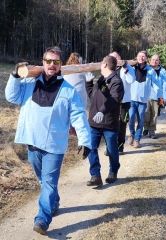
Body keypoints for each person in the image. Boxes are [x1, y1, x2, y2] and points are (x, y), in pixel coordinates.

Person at [5, 46, 91, 235]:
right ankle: (54, 201)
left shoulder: (68, 91)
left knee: (49, 182)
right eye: (49, 61)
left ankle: (42, 219)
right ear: (43, 62)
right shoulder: (29, 83)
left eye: (56, 62)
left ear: (61, 65)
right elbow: (11, 96)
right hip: (33, 142)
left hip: (54, 145)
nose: (52, 65)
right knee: (43, 181)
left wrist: (85, 140)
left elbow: (78, 116)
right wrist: (15, 76)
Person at [85, 55, 124, 187]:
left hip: (109, 123)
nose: (100, 65)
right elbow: (93, 97)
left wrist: (102, 111)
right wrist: (88, 84)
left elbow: (113, 100)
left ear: (106, 65)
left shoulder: (116, 82)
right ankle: (95, 175)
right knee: (90, 148)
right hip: (94, 122)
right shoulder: (101, 79)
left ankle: (113, 171)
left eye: (102, 63)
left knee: (112, 150)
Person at [128, 50, 162, 148]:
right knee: (130, 118)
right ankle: (131, 133)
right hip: (132, 99)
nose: (141, 58)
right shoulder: (132, 68)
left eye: (143, 56)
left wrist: (159, 95)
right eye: (139, 56)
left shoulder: (150, 71)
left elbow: (155, 84)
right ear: (137, 57)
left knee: (141, 121)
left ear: (146, 58)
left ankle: (137, 140)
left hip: (143, 100)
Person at [107, 51, 135, 154]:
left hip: (124, 101)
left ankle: (120, 147)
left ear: (120, 58)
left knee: (122, 124)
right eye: (112, 58)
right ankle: (109, 147)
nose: (114, 60)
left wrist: (126, 70)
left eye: (116, 58)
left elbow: (132, 80)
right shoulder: (108, 69)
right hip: (111, 101)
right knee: (109, 124)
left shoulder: (127, 68)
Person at [143, 54, 166, 139]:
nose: (154, 61)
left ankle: (152, 131)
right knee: (146, 113)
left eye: (156, 60)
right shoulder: (146, 68)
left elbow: (165, 84)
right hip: (146, 95)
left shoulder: (163, 71)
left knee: (154, 114)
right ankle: (145, 127)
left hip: (157, 96)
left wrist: (165, 97)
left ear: (159, 61)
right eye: (153, 60)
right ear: (150, 60)